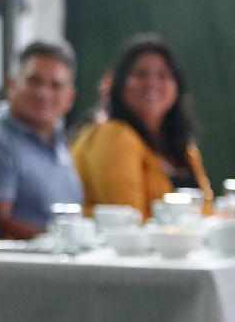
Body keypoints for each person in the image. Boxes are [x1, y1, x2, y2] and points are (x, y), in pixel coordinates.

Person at [71, 34, 212, 219]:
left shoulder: (182, 148)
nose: (152, 83)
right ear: (119, 83)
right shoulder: (113, 134)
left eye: (163, 74)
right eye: (140, 74)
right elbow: (129, 220)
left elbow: (207, 213)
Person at [0, 41, 83, 239]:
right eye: (34, 81)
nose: (43, 93)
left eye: (55, 85)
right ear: (11, 84)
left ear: (70, 98)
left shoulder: (56, 136)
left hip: (62, 260)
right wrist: (60, 240)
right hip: (19, 266)